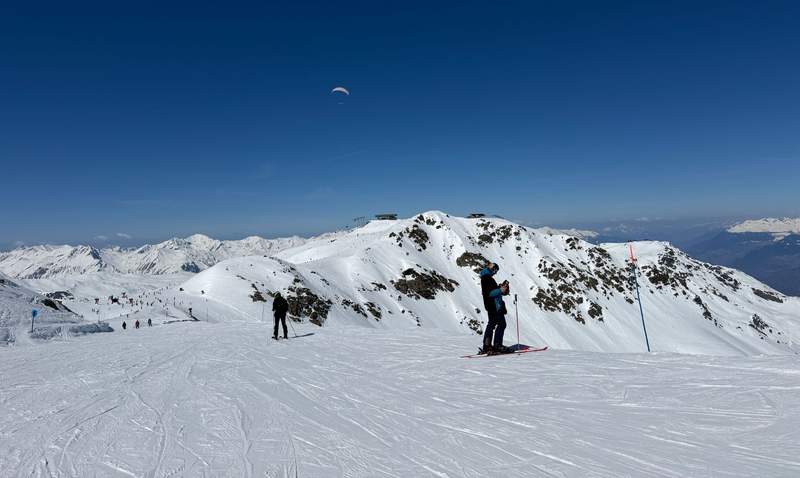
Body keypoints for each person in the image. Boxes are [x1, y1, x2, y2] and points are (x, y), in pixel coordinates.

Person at [479, 263, 512, 354]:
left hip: (493, 305)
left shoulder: (486, 278)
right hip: (493, 306)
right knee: (499, 324)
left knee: (494, 324)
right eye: (495, 270)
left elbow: (492, 291)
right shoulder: (486, 278)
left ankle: (488, 345)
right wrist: (500, 290)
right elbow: (489, 293)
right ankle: (495, 345)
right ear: (491, 268)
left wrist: (500, 289)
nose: (495, 272)